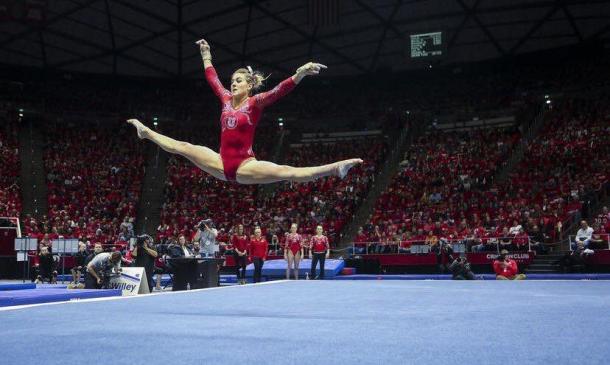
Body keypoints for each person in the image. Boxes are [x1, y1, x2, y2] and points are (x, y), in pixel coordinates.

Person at [127, 38, 362, 185]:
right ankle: (146, 132)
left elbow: (278, 91)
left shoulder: (255, 103)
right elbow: (213, 80)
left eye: (239, 81)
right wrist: (206, 55)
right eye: (233, 80)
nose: (234, 83)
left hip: (245, 166)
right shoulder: (226, 99)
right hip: (220, 163)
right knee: (184, 147)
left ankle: (335, 168)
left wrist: (299, 73)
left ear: (249, 85)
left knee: (286, 171)